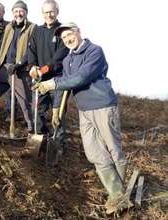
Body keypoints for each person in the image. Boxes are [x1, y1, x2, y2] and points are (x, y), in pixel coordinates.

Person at [32, 22, 132, 215]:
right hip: (84, 111)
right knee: (93, 153)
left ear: (78, 32)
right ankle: (117, 195)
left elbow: (80, 78)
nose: (68, 39)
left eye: (70, 34)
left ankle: (118, 198)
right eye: (63, 38)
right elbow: (65, 86)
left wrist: (51, 83)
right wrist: (55, 111)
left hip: (103, 106)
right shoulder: (68, 60)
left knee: (113, 149)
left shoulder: (94, 51)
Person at [0, 0, 36, 135]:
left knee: (25, 100)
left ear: (26, 12)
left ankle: (32, 126)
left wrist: (19, 64)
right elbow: (1, 45)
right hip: (4, 67)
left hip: (20, 69)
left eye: (21, 11)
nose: (18, 14)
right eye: (15, 11)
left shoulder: (33, 28)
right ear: (12, 13)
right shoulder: (9, 27)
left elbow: (32, 50)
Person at [28, 0, 69, 146]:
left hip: (57, 79)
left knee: (58, 112)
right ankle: (43, 138)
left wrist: (45, 69)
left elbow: (61, 55)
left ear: (56, 12)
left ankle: (58, 143)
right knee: (37, 110)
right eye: (46, 12)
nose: (49, 15)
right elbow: (31, 50)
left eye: (51, 11)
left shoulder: (62, 31)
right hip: (40, 80)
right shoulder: (37, 30)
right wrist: (33, 66)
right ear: (42, 14)